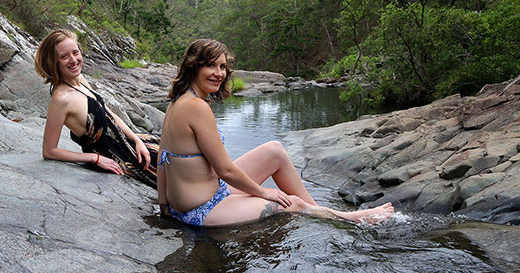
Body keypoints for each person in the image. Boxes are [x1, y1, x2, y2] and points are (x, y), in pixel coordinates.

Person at [157, 39, 394, 226]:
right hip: (202, 210)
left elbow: (162, 157)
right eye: (210, 65)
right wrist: (263, 192)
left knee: (275, 151)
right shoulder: (197, 107)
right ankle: (348, 218)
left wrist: (163, 202)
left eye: (222, 66)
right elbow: (225, 170)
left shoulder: (177, 101)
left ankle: (321, 211)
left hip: (205, 195)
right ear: (193, 66)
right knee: (293, 204)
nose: (219, 73)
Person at [34, 29, 157, 188]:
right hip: (120, 159)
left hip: (129, 145)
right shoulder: (61, 99)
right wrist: (95, 158)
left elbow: (107, 113)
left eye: (75, 52)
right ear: (53, 62)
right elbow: (49, 151)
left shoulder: (79, 79)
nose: (73, 60)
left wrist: (136, 139)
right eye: (64, 56)